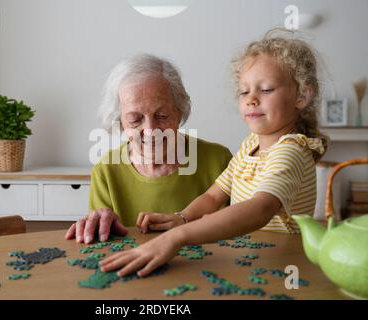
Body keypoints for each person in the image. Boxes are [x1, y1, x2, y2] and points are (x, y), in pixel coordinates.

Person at [100, 32, 328, 277]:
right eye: (244, 92)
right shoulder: (250, 145)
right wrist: (182, 218)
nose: (251, 99)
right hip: (250, 261)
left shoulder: (292, 150)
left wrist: (178, 237)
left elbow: (260, 209)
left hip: (281, 267)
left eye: (266, 89)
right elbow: (213, 195)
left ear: (302, 96)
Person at [65, 54, 232, 244]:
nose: (151, 130)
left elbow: (242, 234)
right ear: (120, 122)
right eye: (135, 119)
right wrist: (97, 223)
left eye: (161, 116)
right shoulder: (106, 171)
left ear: (180, 112)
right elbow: (101, 246)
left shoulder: (219, 160)